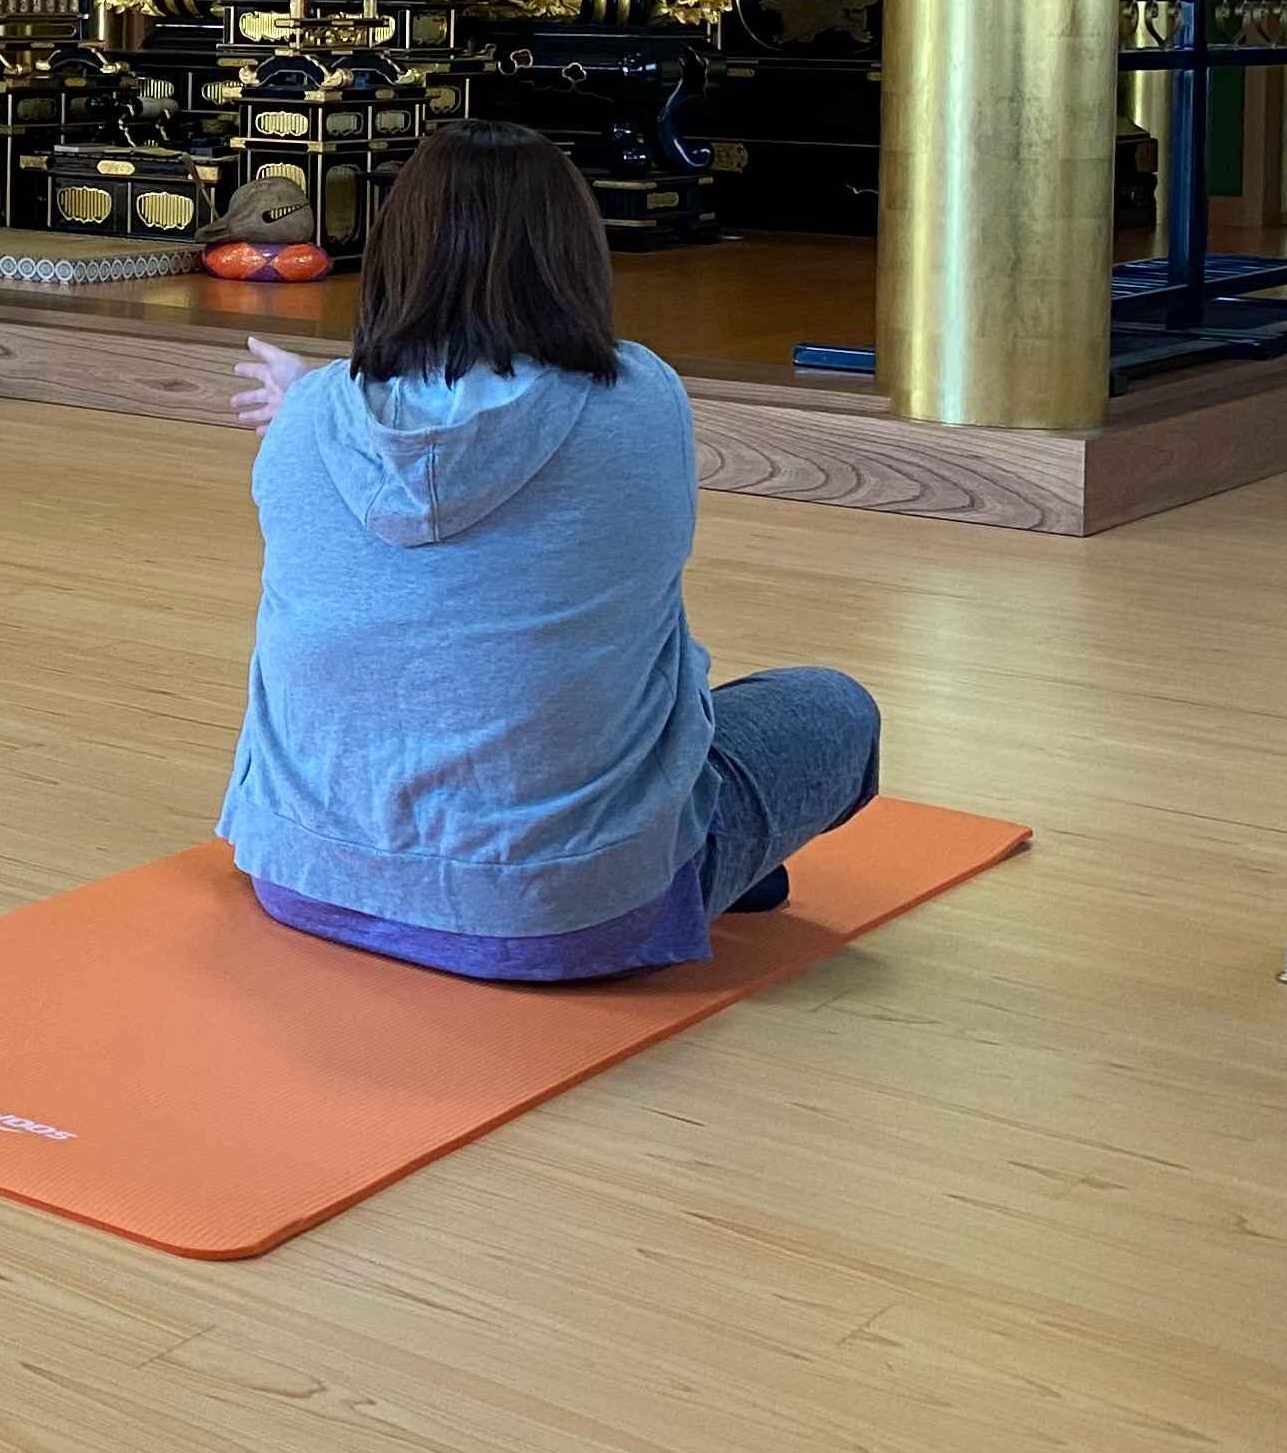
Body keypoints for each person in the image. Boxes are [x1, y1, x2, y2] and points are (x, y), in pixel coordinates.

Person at [217, 118, 882, 982]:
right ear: (574, 253)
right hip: (564, 915)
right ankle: (707, 869)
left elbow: (414, 447)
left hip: (304, 878)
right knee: (831, 707)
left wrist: (310, 398)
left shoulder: (307, 418)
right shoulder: (640, 398)